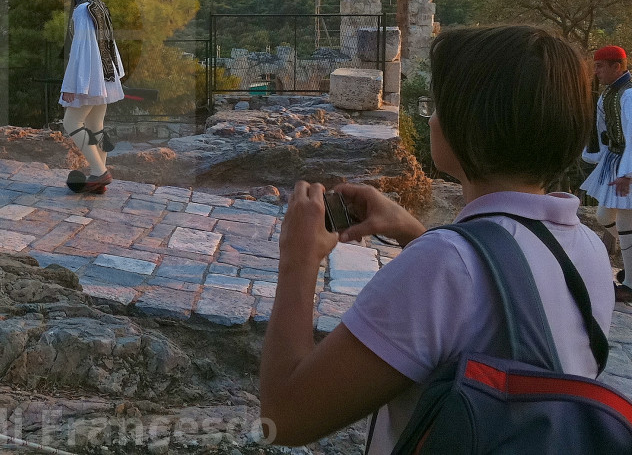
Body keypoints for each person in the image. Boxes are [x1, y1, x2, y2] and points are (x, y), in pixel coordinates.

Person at [259, 25, 614, 450]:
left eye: (441, 104)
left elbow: (284, 418)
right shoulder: (589, 250)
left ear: (469, 125)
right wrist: (412, 230)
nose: (431, 117)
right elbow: (491, 302)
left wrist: (297, 259)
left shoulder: (441, 266)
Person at [60, 0, 124, 194]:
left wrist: (70, 86)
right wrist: (115, 74)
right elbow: (109, 44)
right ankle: (99, 177)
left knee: (71, 123)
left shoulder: (81, 10)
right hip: (105, 75)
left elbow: (80, 50)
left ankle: (100, 171)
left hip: (91, 77)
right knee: (96, 126)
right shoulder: (99, 5)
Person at [580, 45, 632, 303]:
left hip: (627, 164)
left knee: (624, 220)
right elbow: (603, 131)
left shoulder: (629, 94)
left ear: (617, 66)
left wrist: (628, 173)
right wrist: (593, 156)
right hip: (615, 160)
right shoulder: (608, 95)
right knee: (604, 216)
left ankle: (631, 285)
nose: (596, 71)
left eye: (601, 66)